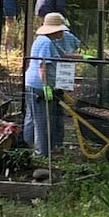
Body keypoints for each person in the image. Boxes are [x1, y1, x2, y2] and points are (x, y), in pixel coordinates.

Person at [23, 12, 69, 157]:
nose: (62, 32)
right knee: (41, 120)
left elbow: (64, 55)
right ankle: (41, 154)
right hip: (38, 86)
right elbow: (42, 66)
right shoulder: (46, 42)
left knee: (32, 116)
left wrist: (86, 58)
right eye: (61, 30)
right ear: (54, 30)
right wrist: (46, 87)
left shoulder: (45, 40)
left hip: (30, 83)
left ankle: (26, 146)